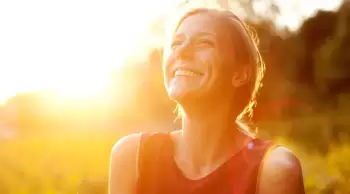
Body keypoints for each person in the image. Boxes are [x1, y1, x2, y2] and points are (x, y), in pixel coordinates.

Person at [109, 8, 305, 194]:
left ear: (240, 74)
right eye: (176, 43)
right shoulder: (132, 158)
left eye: (204, 43)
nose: (181, 52)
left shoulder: (275, 170)